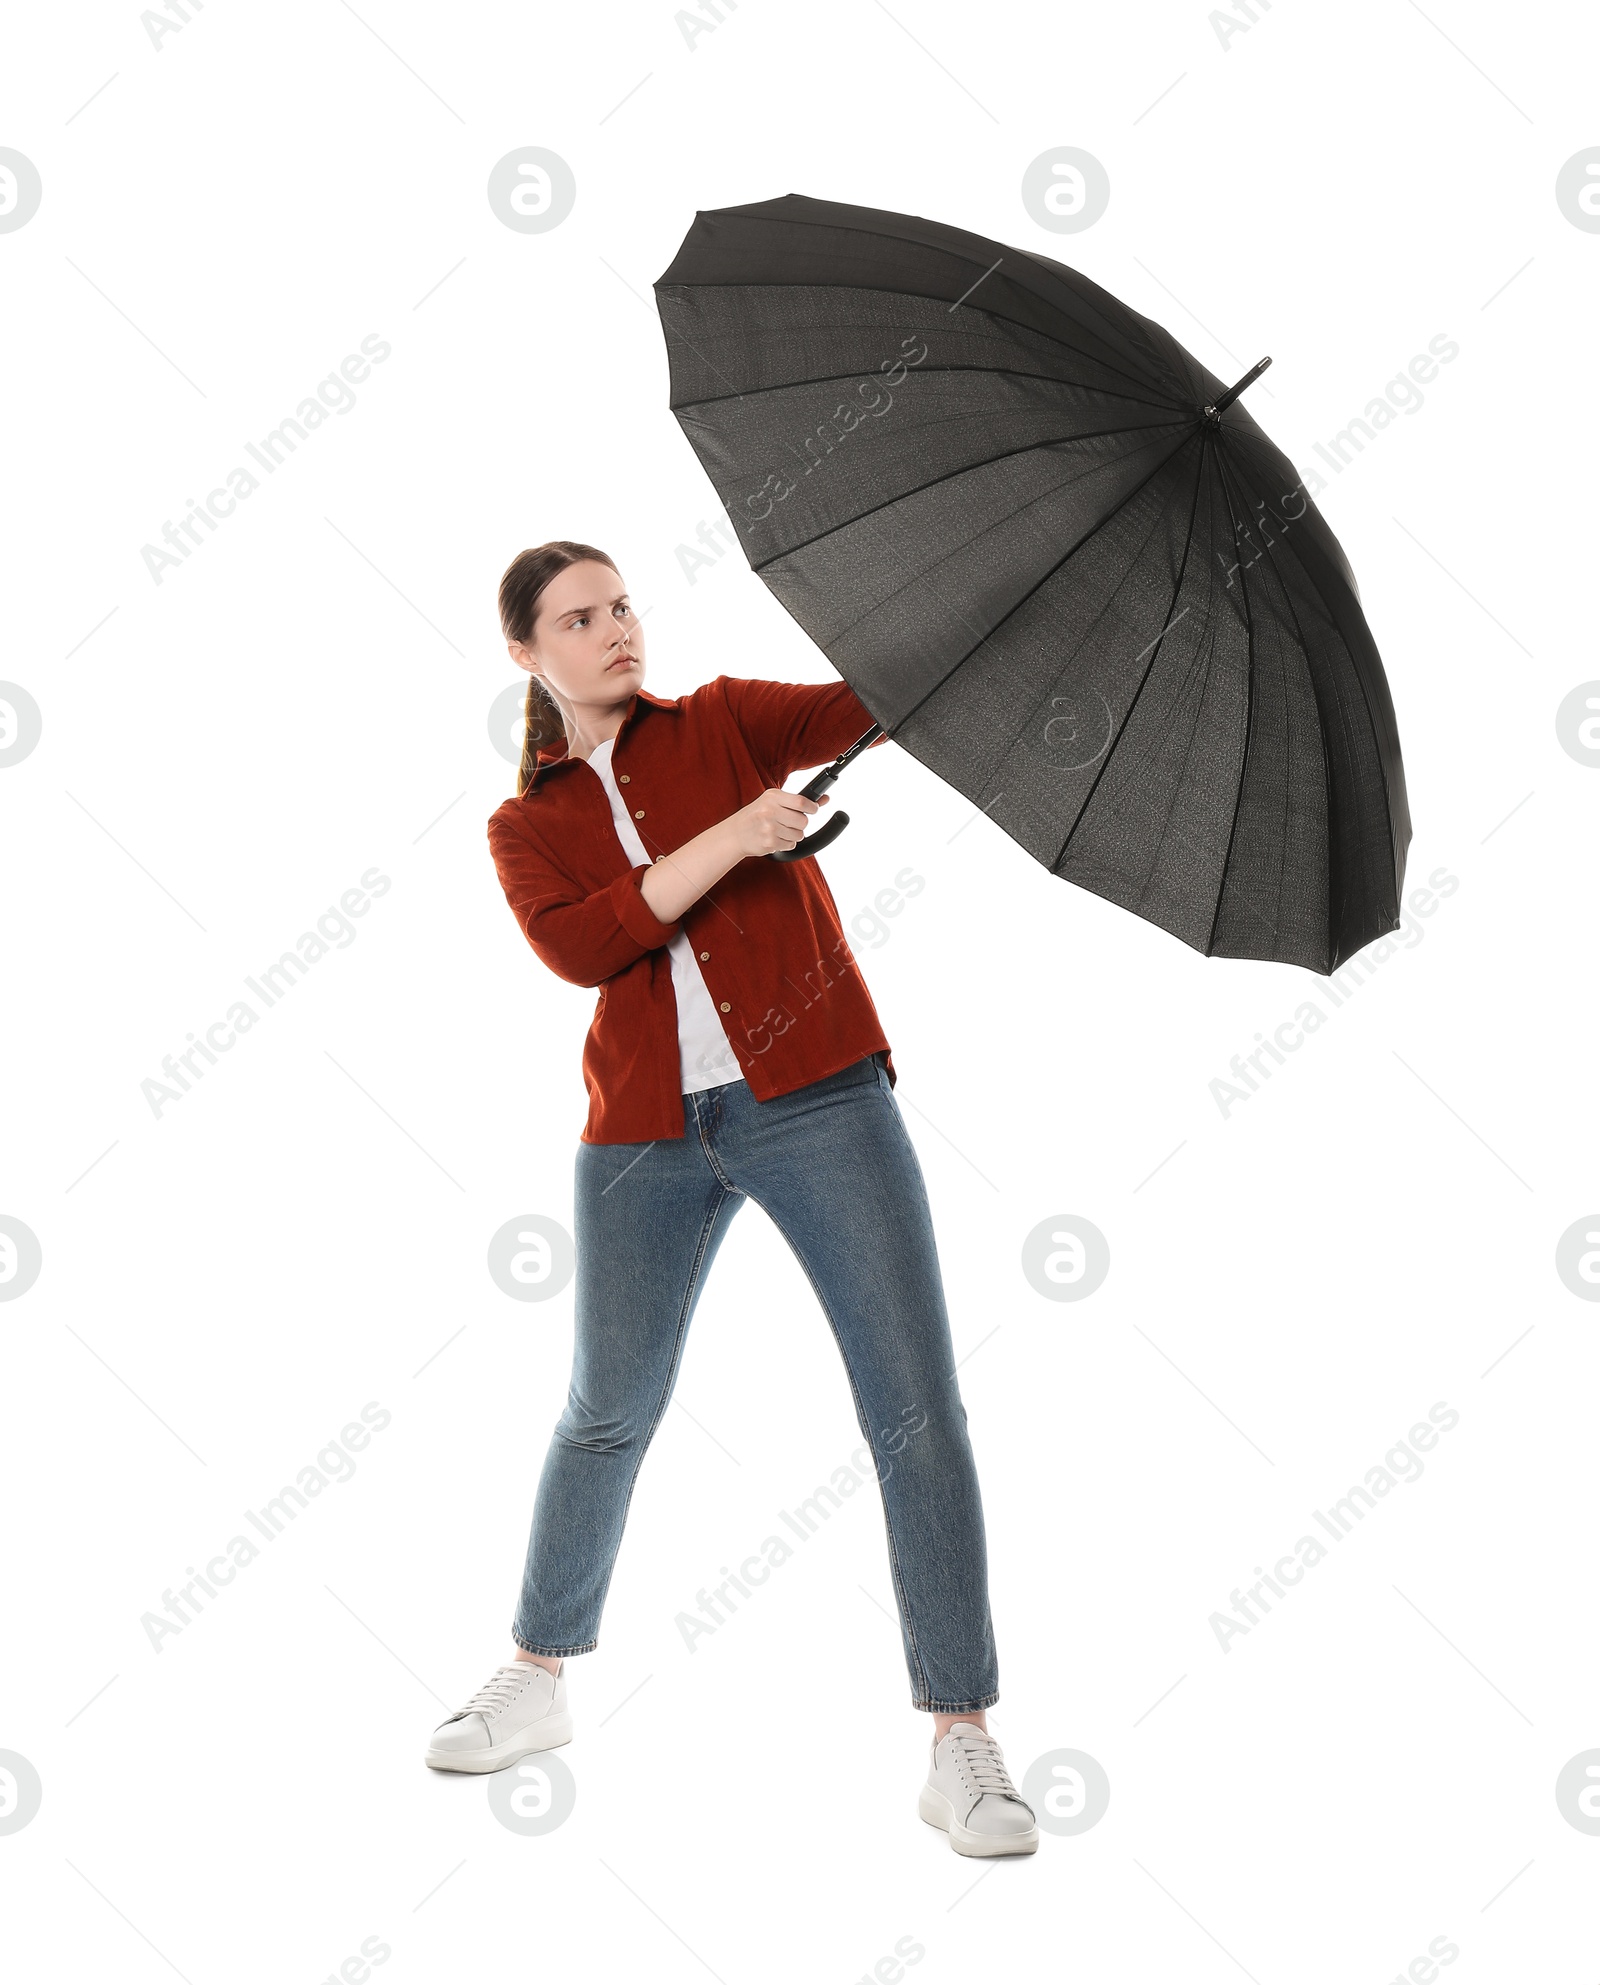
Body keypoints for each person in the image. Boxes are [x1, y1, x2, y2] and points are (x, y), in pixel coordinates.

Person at [423, 540, 1036, 1856]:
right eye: (581, 618)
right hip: (642, 1134)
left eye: (625, 604)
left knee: (914, 1405)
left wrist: (981, 588)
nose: (617, 629)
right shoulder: (524, 822)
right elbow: (588, 941)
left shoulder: (723, 723)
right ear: (527, 653)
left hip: (819, 1098)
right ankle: (539, 1671)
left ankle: (960, 1735)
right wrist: (732, 839)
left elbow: (866, 701)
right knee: (607, 1410)